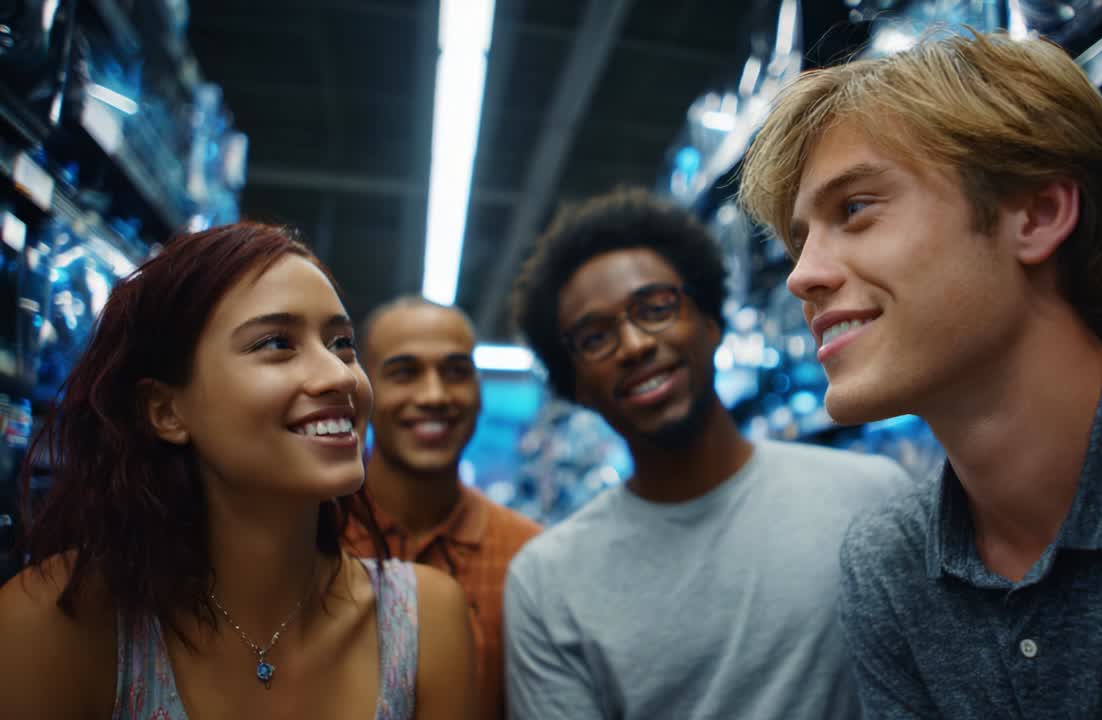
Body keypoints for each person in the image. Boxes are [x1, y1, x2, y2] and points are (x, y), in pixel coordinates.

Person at [738, 30, 1102, 718]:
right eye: (799, 240)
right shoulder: (890, 562)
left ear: (1039, 215)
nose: (802, 276)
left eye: (855, 209)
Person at [0, 222, 477, 718]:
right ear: (166, 411)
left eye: (341, 343)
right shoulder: (57, 622)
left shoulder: (425, 620)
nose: (340, 375)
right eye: (275, 343)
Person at [503, 187, 909, 719]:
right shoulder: (547, 584)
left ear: (711, 323)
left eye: (655, 309)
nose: (634, 345)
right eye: (595, 338)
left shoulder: (872, 496)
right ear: (573, 385)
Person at [345, 297, 540, 720]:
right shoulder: (312, 538)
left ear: (479, 392)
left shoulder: (528, 558)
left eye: (455, 372)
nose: (433, 395)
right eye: (403, 372)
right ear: (363, 390)